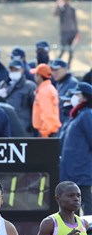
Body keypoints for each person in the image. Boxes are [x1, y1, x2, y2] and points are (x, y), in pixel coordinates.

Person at [59, 82, 92, 214]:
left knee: (85, 202)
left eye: (76, 94)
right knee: (73, 204)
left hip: (81, 170)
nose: (73, 97)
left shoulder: (87, 115)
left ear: (84, 97)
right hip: (72, 170)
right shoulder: (77, 115)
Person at [3, 60, 36, 135]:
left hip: (24, 129)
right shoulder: (3, 85)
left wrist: (32, 126)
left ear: (22, 70)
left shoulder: (30, 86)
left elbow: (35, 108)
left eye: (16, 69)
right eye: (11, 69)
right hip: (7, 129)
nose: (13, 71)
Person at [32, 63, 61, 138]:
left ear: (39, 76)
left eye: (36, 74)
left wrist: (44, 135)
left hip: (47, 133)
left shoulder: (44, 91)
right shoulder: (49, 88)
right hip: (50, 131)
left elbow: (47, 114)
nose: (34, 76)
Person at [54, 0, 78, 67]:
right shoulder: (61, 9)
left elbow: (75, 21)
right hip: (64, 32)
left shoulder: (72, 9)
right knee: (63, 50)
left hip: (72, 32)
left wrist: (77, 31)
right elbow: (55, 13)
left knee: (71, 51)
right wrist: (58, 4)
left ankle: (68, 67)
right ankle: (56, 65)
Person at [51, 60, 78, 124]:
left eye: (56, 70)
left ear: (65, 69)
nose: (53, 73)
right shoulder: (60, 83)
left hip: (67, 123)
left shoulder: (72, 84)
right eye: (52, 70)